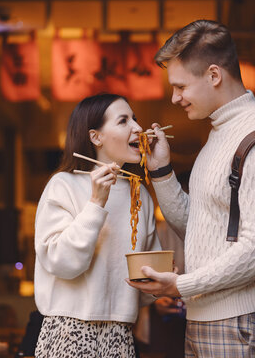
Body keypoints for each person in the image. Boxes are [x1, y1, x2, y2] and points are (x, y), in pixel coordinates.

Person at [127, 20, 255, 357]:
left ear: (214, 75)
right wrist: (161, 171)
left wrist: (181, 286)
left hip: (239, 321)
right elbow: (199, 226)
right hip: (209, 318)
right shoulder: (220, 134)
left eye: (180, 87)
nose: (175, 98)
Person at [33, 93, 161, 357]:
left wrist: (162, 286)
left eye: (134, 119)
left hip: (120, 333)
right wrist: (95, 202)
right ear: (96, 137)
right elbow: (60, 262)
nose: (138, 128)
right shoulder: (63, 185)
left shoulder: (140, 194)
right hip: (67, 330)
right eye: (124, 121)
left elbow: (142, 285)